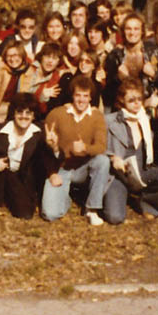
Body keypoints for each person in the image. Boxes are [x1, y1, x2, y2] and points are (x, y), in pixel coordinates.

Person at [41, 75, 111, 226]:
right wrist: (52, 148)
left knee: (102, 161)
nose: (81, 100)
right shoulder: (57, 114)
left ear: (90, 98)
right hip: (62, 169)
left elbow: (101, 146)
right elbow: (43, 152)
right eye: (78, 95)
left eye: (85, 96)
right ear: (72, 95)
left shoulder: (97, 116)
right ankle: (66, 197)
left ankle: (92, 209)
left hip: (83, 169)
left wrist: (85, 148)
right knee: (50, 214)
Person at [103, 80, 158, 224]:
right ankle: (122, 196)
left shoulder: (146, 119)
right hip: (119, 176)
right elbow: (99, 147)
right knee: (115, 217)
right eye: (131, 100)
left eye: (139, 99)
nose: (136, 103)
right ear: (121, 101)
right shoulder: (110, 121)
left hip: (142, 173)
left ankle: (147, 202)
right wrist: (112, 157)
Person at [0, 93, 46, 224]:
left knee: (25, 214)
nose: (24, 116)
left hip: (20, 178)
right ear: (13, 113)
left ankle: (7, 198)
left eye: (28, 113)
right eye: (20, 112)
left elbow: (47, 159)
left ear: (33, 115)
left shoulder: (39, 133)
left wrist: (54, 148)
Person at [102, 12, 158, 111]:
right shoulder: (115, 55)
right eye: (128, 29)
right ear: (123, 31)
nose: (132, 33)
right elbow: (107, 93)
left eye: (136, 29)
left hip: (149, 107)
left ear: (142, 31)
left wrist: (154, 75)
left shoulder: (154, 52)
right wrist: (118, 78)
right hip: (123, 110)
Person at [0, 38, 35, 126]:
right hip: (0, 106)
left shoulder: (28, 71)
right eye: (9, 56)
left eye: (16, 55)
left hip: (17, 109)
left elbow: (23, 95)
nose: (12, 59)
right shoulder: (1, 68)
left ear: (22, 55)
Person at [29, 42, 66, 118]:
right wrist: (39, 96)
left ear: (58, 62)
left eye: (54, 58)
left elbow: (43, 110)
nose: (50, 61)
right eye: (47, 56)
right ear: (42, 57)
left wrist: (42, 98)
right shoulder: (30, 69)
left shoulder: (54, 79)